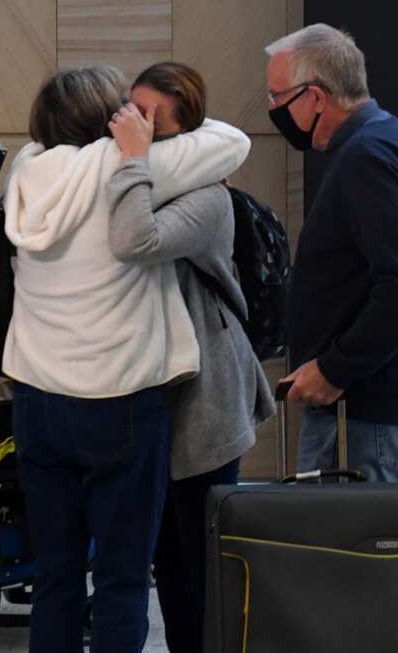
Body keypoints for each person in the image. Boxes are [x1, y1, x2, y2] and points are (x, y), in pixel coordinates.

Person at [0, 66, 249, 653]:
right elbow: (232, 142)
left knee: (57, 576)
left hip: (37, 406)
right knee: (120, 580)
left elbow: (20, 239)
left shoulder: (28, 173)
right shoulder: (129, 167)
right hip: (121, 406)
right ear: (107, 120)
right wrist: (140, 139)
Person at [105, 61, 274, 653]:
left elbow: (136, 239)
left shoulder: (207, 198)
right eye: (130, 108)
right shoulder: (130, 177)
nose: (131, 124)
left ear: (183, 136)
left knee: (195, 565)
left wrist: (131, 161)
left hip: (203, 401)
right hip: (150, 395)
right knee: (166, 561)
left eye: (149, 118)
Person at [267, 24, 398, 483]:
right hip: (380, 408)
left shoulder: (368, 157)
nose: (271, 109)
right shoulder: (391, 137)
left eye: (277, 97)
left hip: (368, 420)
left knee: (345, 553)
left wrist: (334, 369)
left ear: (315, 97)